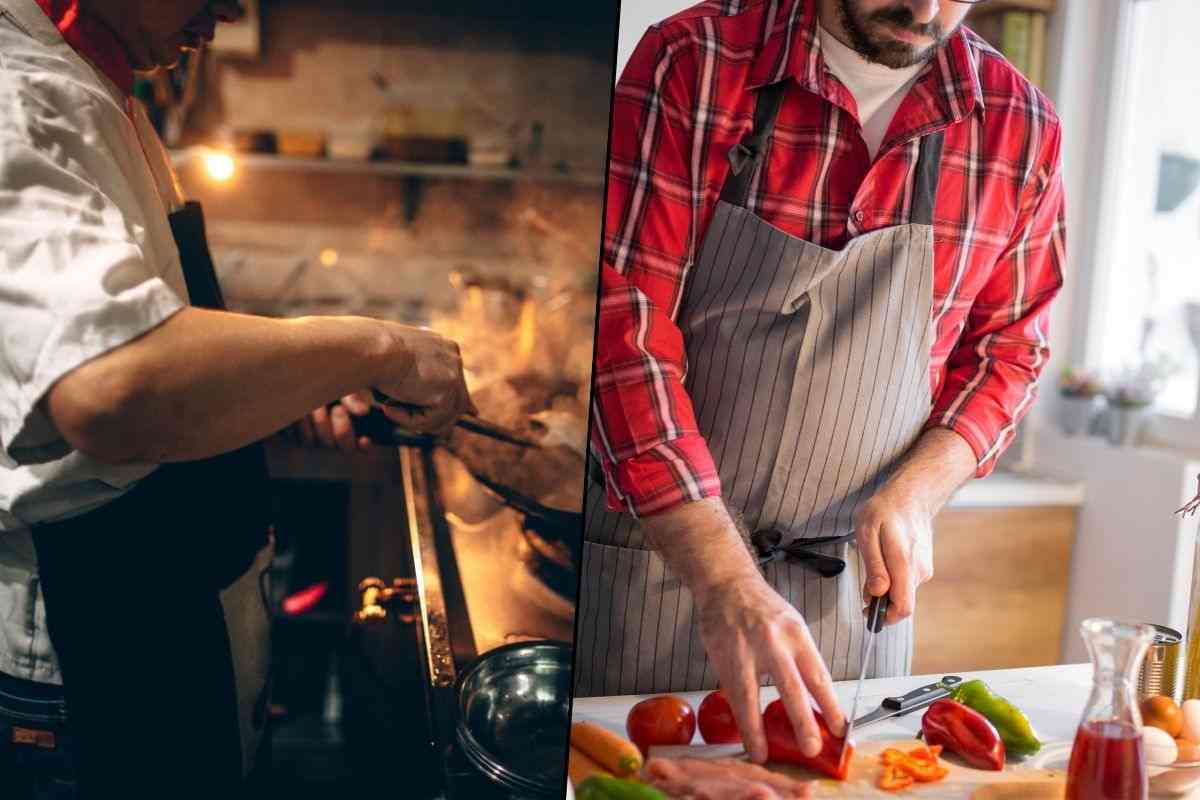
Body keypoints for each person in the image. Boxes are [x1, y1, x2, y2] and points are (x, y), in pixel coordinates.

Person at [0, 0, 473, 796]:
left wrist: (292, 384)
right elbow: (113, 388)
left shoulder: (103, 88)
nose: (228, 9)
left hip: (168, 607)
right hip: (93, 646)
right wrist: (376, 346)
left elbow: (156, 339)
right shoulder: (23, 92)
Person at [579, 0, 1065, 766]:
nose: (926, 7)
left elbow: (1010, 351)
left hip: (853, 604)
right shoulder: (695, 60)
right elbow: (622, 332)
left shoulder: (1019, 125)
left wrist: (916, 495)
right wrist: (723, 577)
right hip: (664, 567)